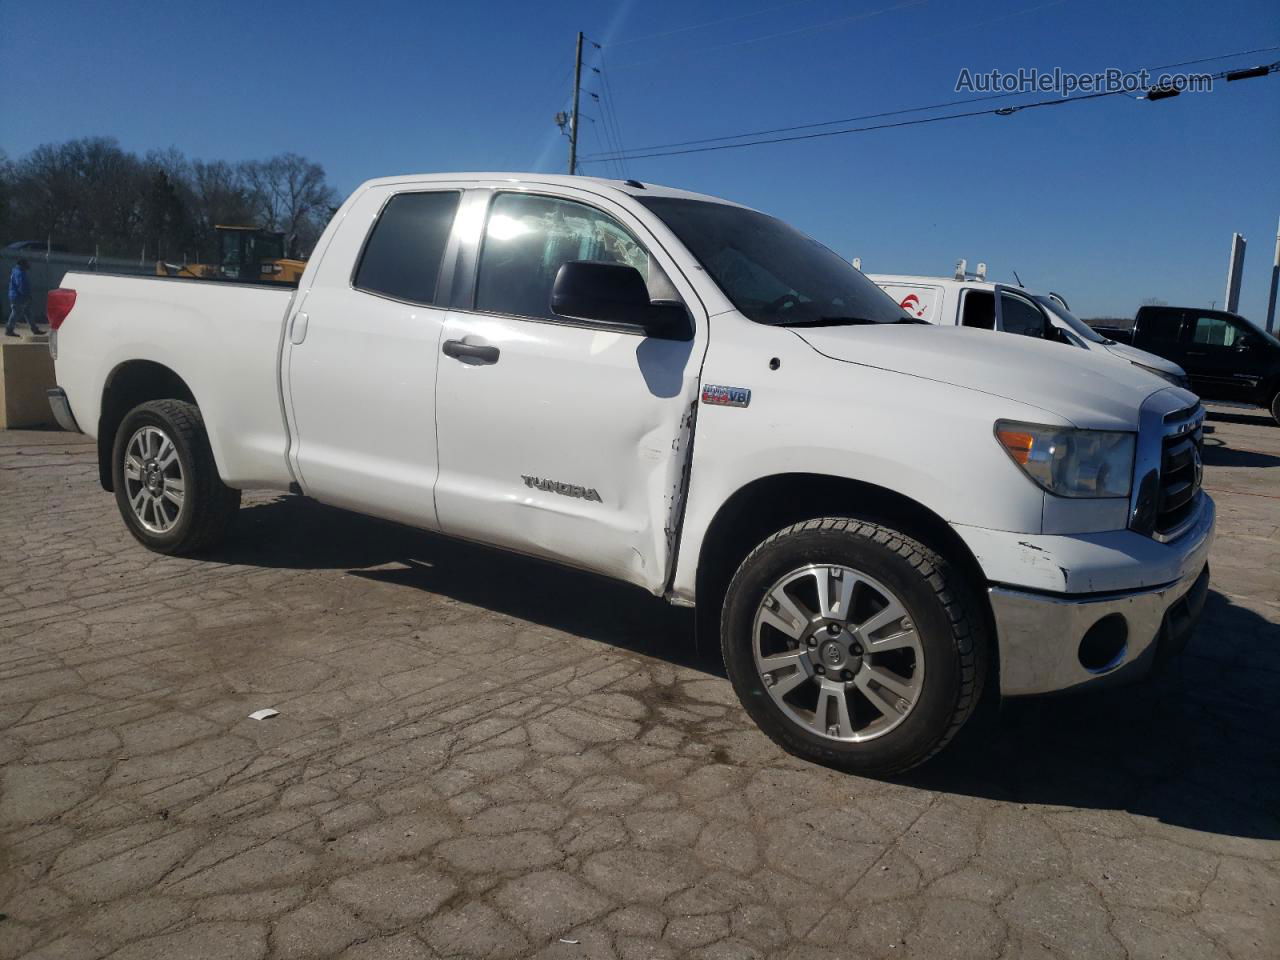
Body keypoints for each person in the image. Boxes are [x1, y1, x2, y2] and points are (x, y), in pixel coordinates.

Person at [6, 258, 44, 337]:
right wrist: (26, 295)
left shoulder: (17, 271)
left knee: (28, 312)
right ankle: (9, 330)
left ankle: (34, 329)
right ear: (22, 264)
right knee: (16, 312)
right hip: (18, 297)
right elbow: (22, 286)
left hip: (17, 296)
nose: (28, 265)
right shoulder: (20, 273)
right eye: (27, 264)